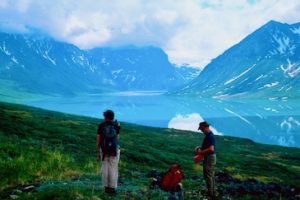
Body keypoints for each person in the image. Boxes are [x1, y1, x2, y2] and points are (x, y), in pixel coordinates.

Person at [97, 110, 121, 194]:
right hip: (114, 149)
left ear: (105, 117)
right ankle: (112, 187)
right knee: (113, 168)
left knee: (105, 167)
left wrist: (98, 150)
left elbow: (99, 139)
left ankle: (106, 187)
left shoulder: (101, 125)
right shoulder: (116, 125)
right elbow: (117, 139)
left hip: (104, 149)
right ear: (113, 117)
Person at [195, 121, 217, 199]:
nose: (201, 131)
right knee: (209, 175)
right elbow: (209, 146)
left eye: (201, 129)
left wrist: (201, 152)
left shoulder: (210, 136)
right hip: (209, 157)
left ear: (205, 128)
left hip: (209, 158)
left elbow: (211, 149)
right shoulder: (209, 135)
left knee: (208, 176)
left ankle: (211, 194)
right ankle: (212, 192)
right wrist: (201, 147)